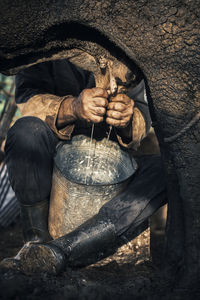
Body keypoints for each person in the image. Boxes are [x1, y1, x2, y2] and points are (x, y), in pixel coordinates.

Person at [1, 58, 167, 274]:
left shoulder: (130, 50)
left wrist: (128, 119)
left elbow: (143, 116)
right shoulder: (49, 43)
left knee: (166, 170)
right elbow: (27, 99)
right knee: (25, 133)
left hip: (113, 169)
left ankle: (59, 250)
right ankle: (36, 242)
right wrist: (73, 107)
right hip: (55, 159)